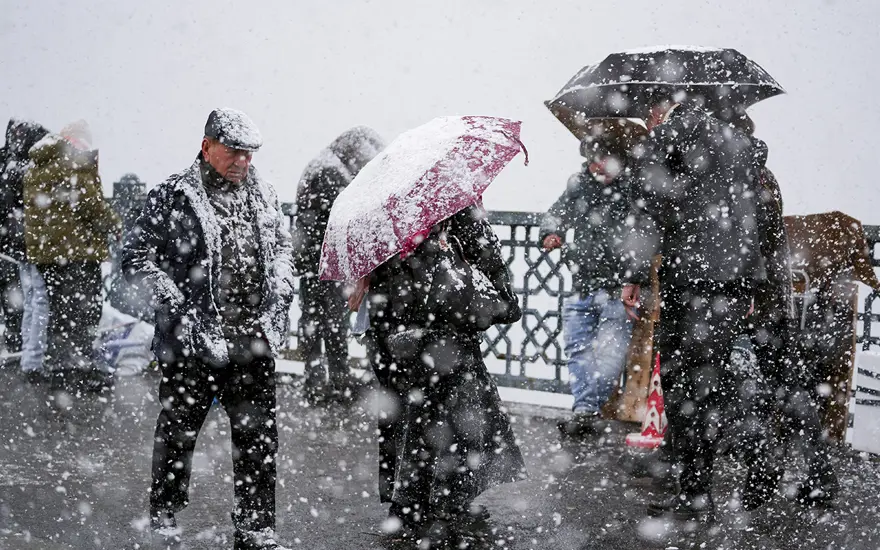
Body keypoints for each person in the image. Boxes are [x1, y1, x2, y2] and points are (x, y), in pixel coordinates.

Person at [121, 108, 294, 550]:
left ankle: (256, 526)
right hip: (192, 340)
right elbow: (135, 259)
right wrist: (176, 304)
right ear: (206, 146)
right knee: (179, 431)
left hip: (253, 339)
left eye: (249, 154)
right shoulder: (173, 195)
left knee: (258, 438)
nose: (243, 161)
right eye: (234, 151)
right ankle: (164, 511)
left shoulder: (265, 195)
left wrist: (281, 283)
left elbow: (282, 249)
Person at [621, 99, 772, 521]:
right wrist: (753, 278)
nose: (648, 118)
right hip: (734, 281)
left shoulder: (671, 136)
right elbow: (758, 214)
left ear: (668, 104)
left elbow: (644, 207)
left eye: (651, 111)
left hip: (690, 279)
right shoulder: (742, 145)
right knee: (711, 381)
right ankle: (756, 449)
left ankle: (696, 492)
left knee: (684, 386)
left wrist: (633, 275)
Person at [362, 205, 525, 546]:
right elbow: (502, 301)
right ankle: (439, 504)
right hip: (436, 346)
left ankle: (413, 506)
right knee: (447, 421)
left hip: (407, 343)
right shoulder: (457, 217)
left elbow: (501, 303)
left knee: (413, 421)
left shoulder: (393, 220)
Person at [540, 127, 639, 436]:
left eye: (604, 159)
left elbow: (644, 236)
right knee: (577, 350)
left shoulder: (634, 188)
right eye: (593, 159)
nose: (598, 166)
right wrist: (550, 232)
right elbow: (555, 214)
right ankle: (586, 411)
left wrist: (632, 278)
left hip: (618, 288)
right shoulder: (579, 184)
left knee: (610, 357)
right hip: (581, 284)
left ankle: (586, 410)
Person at [23, 120, 121, 390]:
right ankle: (78, 371)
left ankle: (61, 371)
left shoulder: (38, 163)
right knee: (84, 312)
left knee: (60, 313)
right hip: (76, 253)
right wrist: (116, 225)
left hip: (47, 255)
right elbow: (92, 206)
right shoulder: (73, 161)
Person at [292, 127, 384, 403]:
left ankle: (320, 381)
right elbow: (342, 219)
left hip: (314, 261)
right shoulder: (331, 173)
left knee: (317, 320)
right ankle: (333, 382)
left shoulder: (324, 165)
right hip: (325, 262)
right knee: (330, 321)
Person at [0, 119, 48, 359]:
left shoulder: (9, 163)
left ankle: (20, 345)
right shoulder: (27, 166)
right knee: (29, 298)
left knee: (20, 298)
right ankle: (26, 349)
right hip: (24, 244)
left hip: (12, 244)